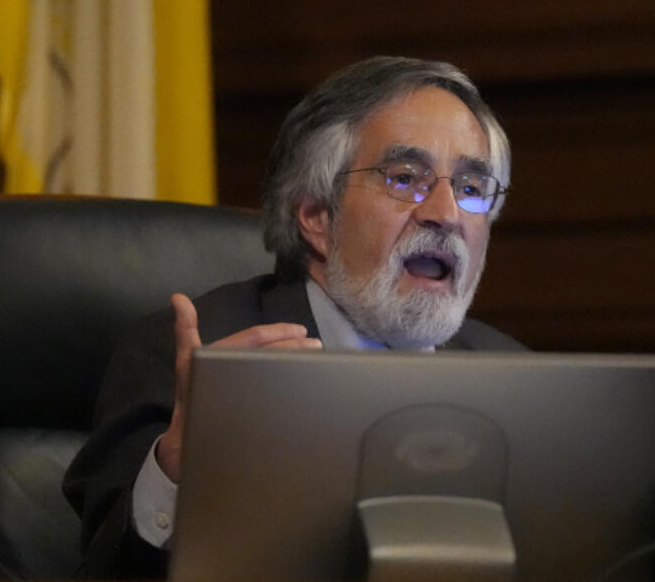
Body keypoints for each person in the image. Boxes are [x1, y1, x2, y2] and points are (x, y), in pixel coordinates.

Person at [62, 56, 524, 577]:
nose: (446, 213)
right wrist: (178, 469)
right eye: (404, 177)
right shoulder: (191, 359)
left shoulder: (518, 378)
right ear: (317, 217)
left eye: (470, 188)